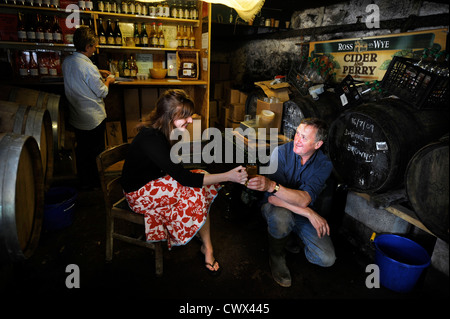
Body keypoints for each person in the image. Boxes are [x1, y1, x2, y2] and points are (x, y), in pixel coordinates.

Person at [121, 89, 248, 275]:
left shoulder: (162, 132)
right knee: (196, 189)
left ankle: (206, 244)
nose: (190, 120)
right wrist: (228, 176)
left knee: (201, 178)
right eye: (185, 117)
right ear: (169, 116)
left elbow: (178, 172)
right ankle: (207, 248)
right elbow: (184, 177)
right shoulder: (151, 139)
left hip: (153, 182)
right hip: (138, 194)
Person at [246, 117, 336, 287]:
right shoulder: (280, 153)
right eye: (297, 134)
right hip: (275, 207)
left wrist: (305, 210)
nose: (297, 140)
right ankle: (276, 255)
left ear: (317, 145)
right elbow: (273, 198)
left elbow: (305, 199)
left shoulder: (324, 164)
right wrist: (309, 212)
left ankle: (292, 236)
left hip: (301, 212)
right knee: (282, 218)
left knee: (326, 258)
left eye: (304, 137)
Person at [62, 25, 115, 189]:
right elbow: (102, 92)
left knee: (83, 152)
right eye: (93, 46)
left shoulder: (67, 61)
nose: (95, 48)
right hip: (93, 119)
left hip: (77, 117)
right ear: (87, 46)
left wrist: (98, 71)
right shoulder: (88, 67)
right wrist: (109, 80)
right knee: (96, 153)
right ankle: (97, 184)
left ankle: (85, 183)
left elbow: (81, 72)